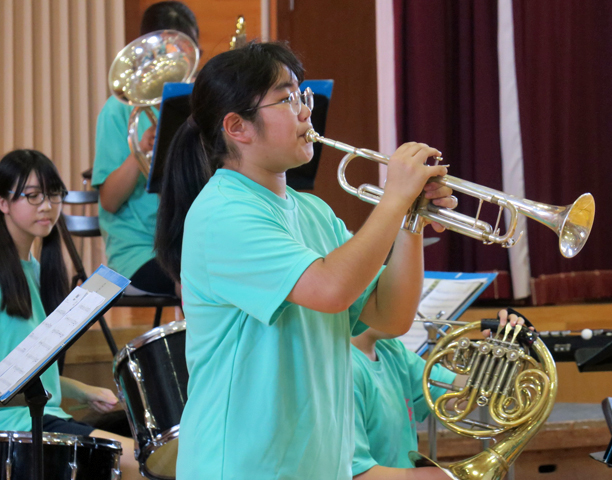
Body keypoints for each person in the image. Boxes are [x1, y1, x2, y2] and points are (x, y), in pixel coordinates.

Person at [155, 41, 456, 479]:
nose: (304, 111)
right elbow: (330, 289)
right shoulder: (222, 212)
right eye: (287, 98)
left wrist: (411, 221)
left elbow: (390, 317)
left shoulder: (313, 211)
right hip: (241, 467)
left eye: (303, 96)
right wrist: (394, 198)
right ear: (238, 127)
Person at [0, 149, 144, 479]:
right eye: (33, 196)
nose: (47, 206)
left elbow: (26, 373)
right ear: (3, 203)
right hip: (13, 429)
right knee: (149, 465)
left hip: (43, 420)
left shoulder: (37, 271)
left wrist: (83, 391)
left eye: (54, 194)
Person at [91, 1, 199, 296]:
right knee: (200, 277)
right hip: (139, 251)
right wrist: (141, 148)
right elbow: (110, 201)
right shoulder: (117, 111)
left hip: (194, 238)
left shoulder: (199, 105)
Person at [351, 310, 527, 479]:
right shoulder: (344, 369)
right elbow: (352, 473)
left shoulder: (390, 349)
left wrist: (502, 353)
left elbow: (460, 397)